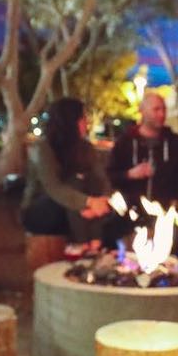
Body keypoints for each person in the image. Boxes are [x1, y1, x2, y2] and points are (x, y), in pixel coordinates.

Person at [20, 97, 118, 245]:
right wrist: (89, 202)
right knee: (74, 182)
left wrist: (102, 201)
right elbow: (53, 187)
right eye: (83, 118)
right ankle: (83, 244)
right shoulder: (44, 148)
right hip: (44, 209)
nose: (87, 122)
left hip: (77, 210)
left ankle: (94, 242)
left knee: (92, 185)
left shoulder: (85, 148)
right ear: (70, 121)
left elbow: (101, 179)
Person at [107, 92, 178, 209]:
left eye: (164, 109)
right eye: (156, 110)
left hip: (165, 214)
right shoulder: (125, 142)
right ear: (142, 111)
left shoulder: (176, 143)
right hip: (130, 213)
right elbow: (110, 176)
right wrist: (129, 174)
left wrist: (177, 198)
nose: (161, 114)